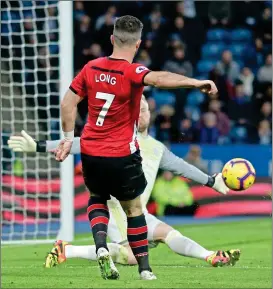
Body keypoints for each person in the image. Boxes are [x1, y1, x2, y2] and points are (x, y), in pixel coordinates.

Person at [36, 15, 218, 281]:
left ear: (112, 39)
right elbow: (159, 78)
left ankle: (100, 248)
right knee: (134, 209)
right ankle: (145, 270)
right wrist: (194, 82)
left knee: (97, 198)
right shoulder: (133, 72)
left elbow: (67, 104)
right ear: (138, 44)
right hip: (122, 154)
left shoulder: (91, 68)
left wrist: (66, 138)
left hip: (91, 151)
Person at [8, 97, 240, 275]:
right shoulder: (114, 138)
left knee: (168, 233)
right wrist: (39, 146)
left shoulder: (157, 147)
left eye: (145, 109)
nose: (142, 113)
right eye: (137, 110)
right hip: (116, 208)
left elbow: (183, 167)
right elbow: (76, 143)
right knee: (130, 257)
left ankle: (211, 256)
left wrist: (211, 180)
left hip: (140, 211)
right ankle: (66, 251)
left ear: (150, 114)